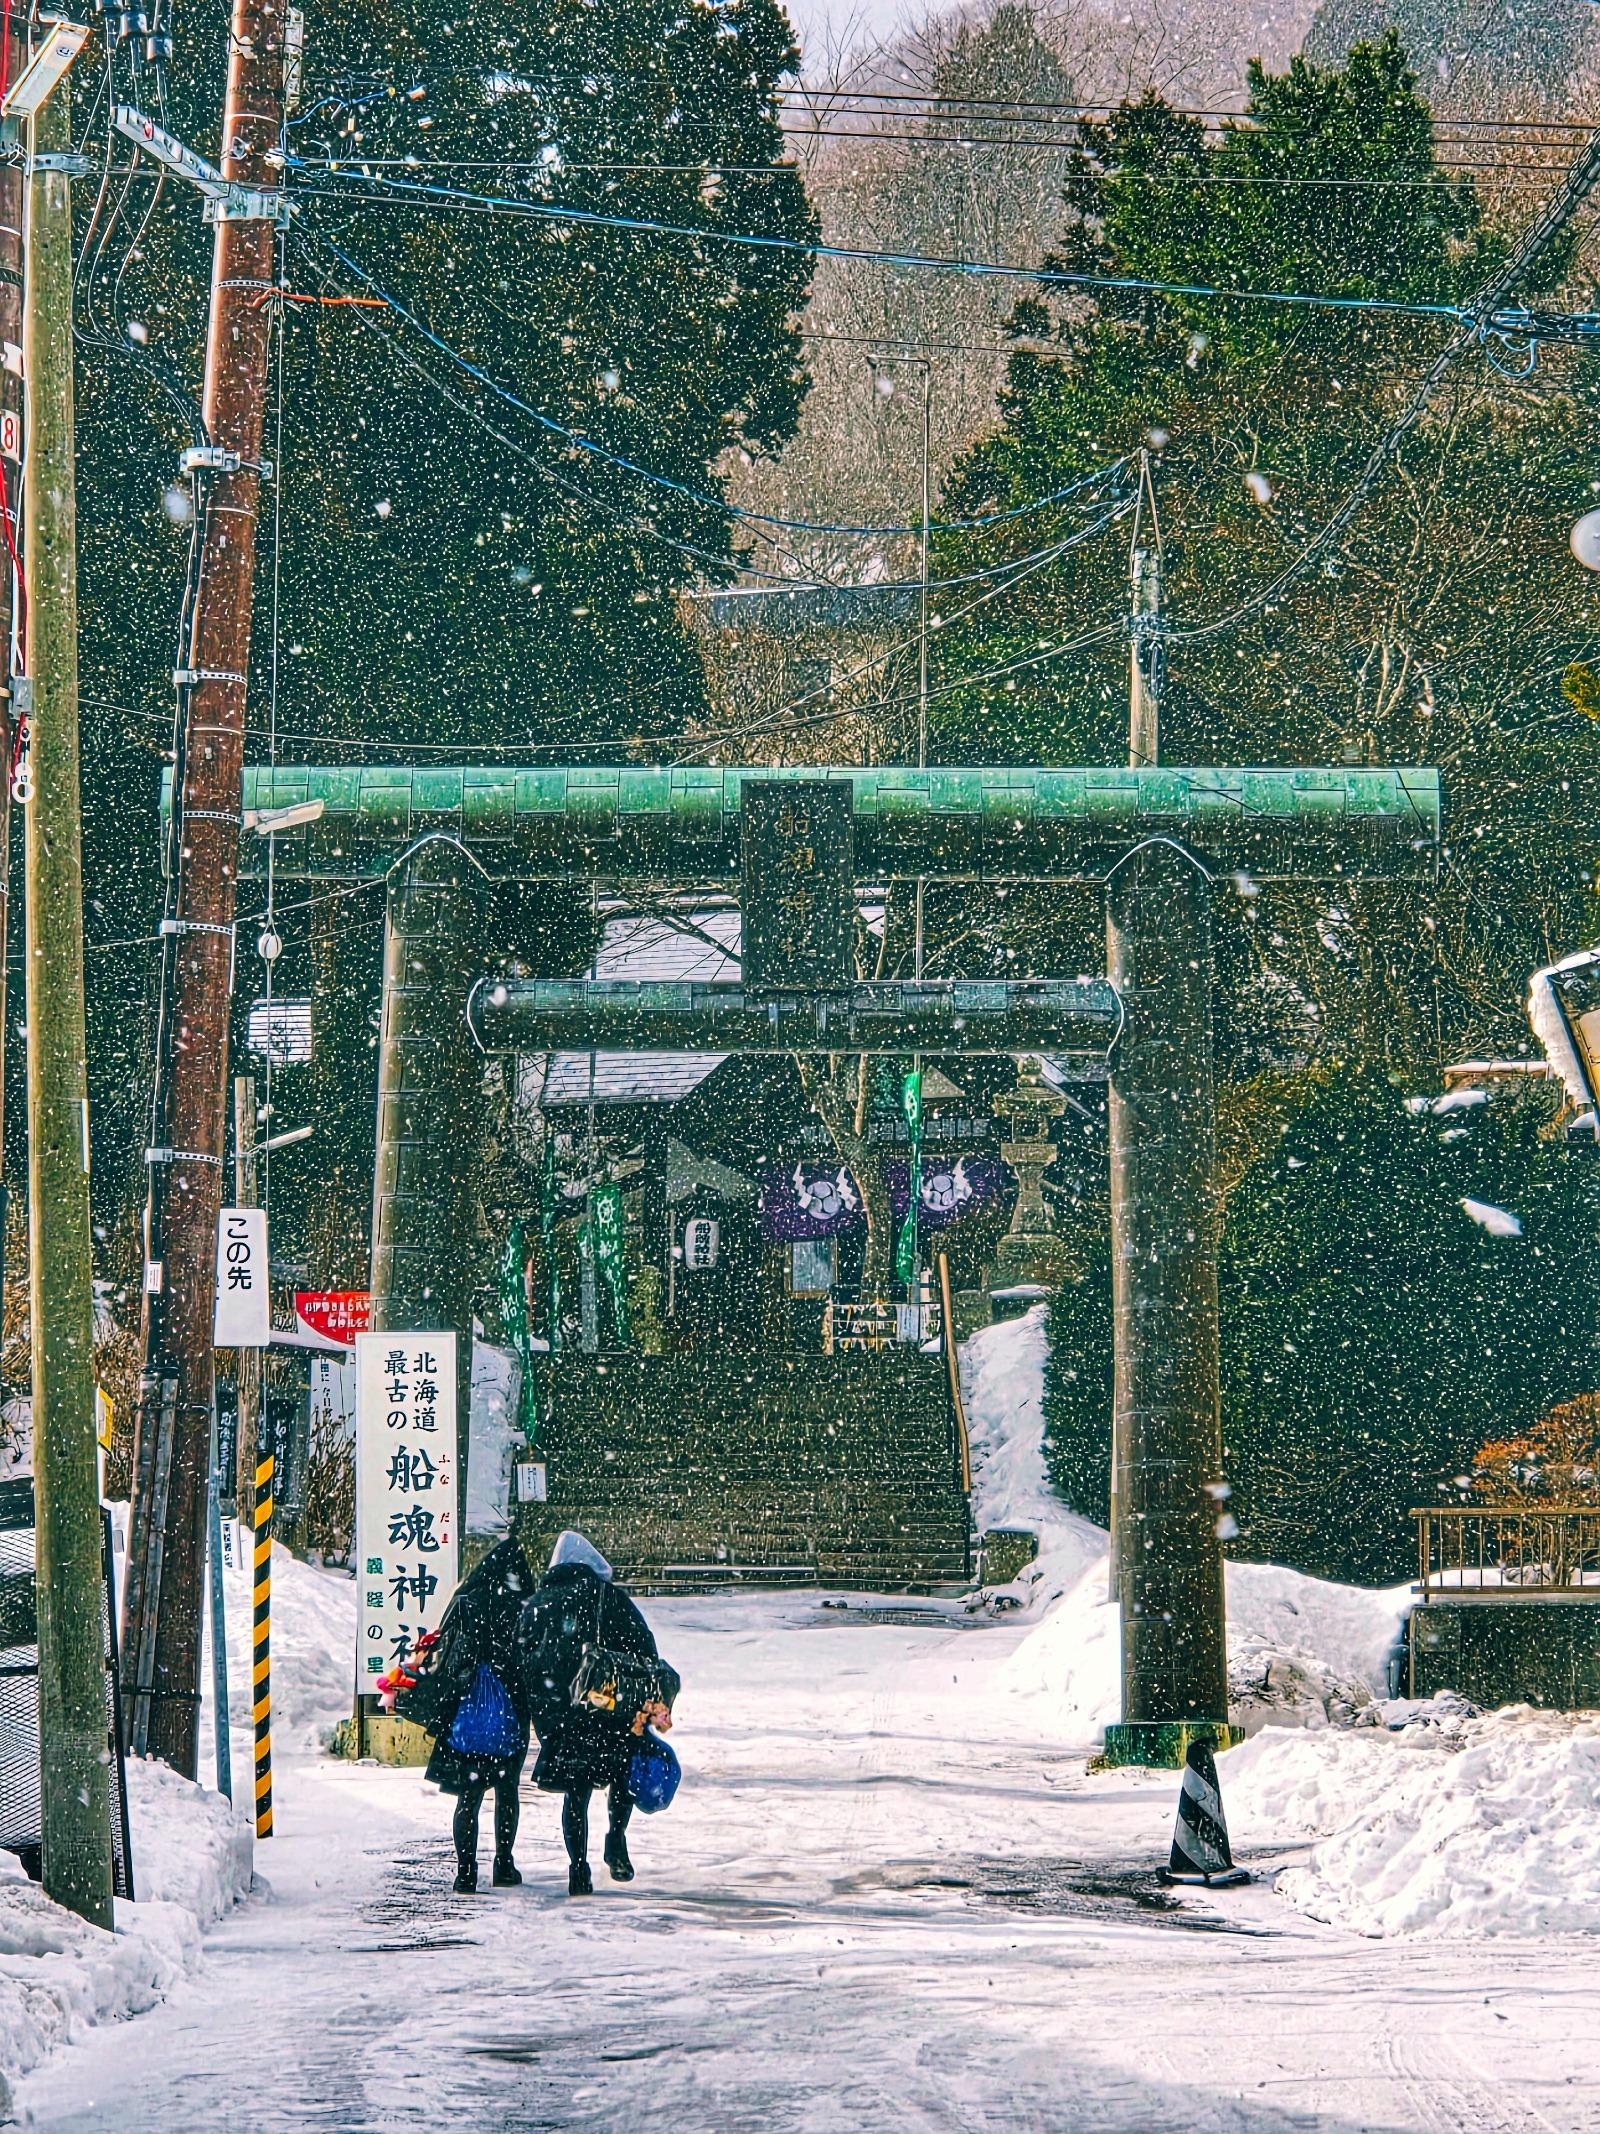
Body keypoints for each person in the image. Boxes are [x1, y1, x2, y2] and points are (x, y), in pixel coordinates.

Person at [517, 1531, 679, 1897]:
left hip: (563, 1716)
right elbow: (646, 1652)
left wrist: (547, 1704)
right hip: (611, 1708)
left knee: (576, 1792)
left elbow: (525, 1659)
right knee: (620, 1773)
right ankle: (615, 1836)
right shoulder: (611, 1598)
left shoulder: (539, 1605)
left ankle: (578, 1868)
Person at [398, 1536, 534, 1894]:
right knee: (507, 1791)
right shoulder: (524, 1607)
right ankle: (504, 1863)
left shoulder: (466, 1603)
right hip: (510, 1713)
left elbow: (444, 1654)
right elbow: (531, 1660)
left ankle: (466, 1871)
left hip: (467, 1713)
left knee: (469, 1796)